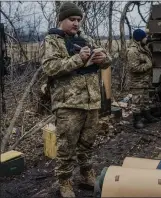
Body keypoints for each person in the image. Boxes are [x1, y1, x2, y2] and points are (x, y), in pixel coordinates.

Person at [41, 2, 111, 197]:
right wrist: (78, 59)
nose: (76, 23)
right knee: (66, 146)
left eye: (79, 20)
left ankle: (87, 173)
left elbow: (108, 59)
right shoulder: (53, 40)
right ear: (61, 20)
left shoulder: (85, 38)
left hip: (91, 102)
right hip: (68, 104)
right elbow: (51, 68)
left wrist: (102, 58)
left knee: (88, 141)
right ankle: (65, 181)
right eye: (72, 20)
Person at [126, 29, 158, 129]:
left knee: (145, 99)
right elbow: (133, 68)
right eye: (145, 37)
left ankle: (147, 115)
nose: (146, 38)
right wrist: (148, 66)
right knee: (137, 102)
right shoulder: (132, 51)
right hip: (137, 82)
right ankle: (137, 120)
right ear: (140, 38)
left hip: (145, 80)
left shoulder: (143, 48)